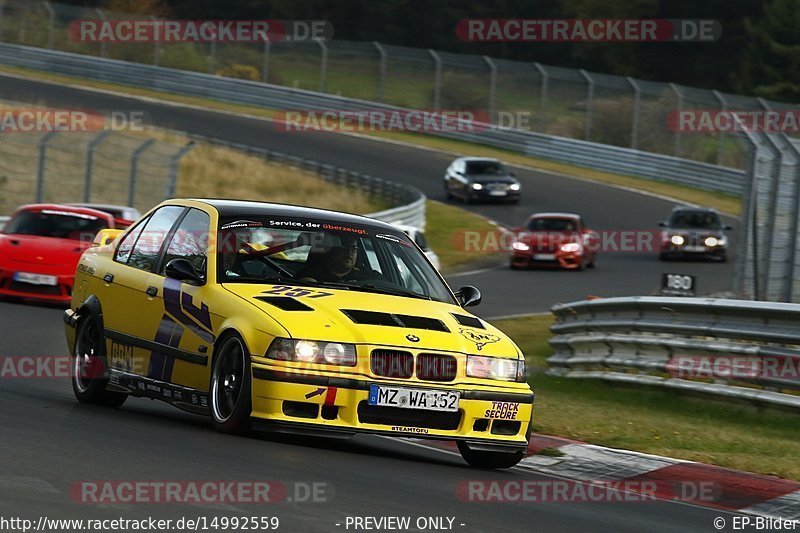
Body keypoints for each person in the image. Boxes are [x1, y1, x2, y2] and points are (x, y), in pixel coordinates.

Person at [297, 234, 377, 283]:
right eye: (343, 248)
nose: (349, 252)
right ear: (331, 251)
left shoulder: (369, 276)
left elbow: (387, 286)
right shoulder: (311, 275)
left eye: (353, 249)